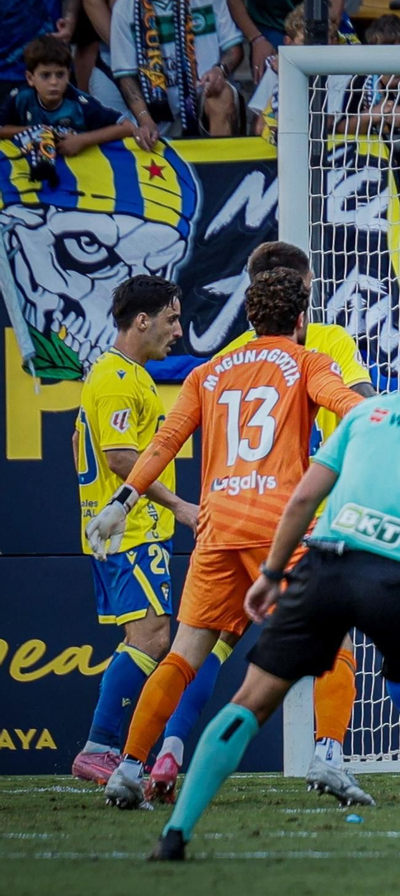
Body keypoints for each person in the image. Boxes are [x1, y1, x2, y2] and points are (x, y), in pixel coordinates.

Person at [148, 313, 400, 862]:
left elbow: (304, 500)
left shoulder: (373, 412)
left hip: (322, 567)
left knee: (252, 699)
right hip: (393, 577)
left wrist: (270, 574)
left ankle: (175, 836)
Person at [87, 268, 368, 810]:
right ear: (301, 318)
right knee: (334, 639)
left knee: (186, 651)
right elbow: (346, 404)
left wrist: (121, 503)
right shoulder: (309, 360)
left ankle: (128, 767)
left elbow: (166, 441)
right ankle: (328, 756)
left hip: (217, 528)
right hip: (281, 527)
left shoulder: (210, 371)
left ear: (250, 317)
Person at [207, 241, 400, 800]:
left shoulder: (227, 356)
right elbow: (364, 406)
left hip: (235, 515)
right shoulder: (324, 343)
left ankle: (158, 765)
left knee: (207, 647)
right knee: (391, 635)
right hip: (337, 508)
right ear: (303, 293)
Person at [67, 276, 203, 785]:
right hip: (131, 531)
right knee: (151, 638)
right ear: (141, 320)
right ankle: (99, 746)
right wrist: (180, 505)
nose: (179, 330)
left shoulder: (126, 374)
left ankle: (110, 748)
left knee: (147, 637)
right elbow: (121, 457)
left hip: (125, 530)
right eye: (171, 319)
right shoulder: (119, 378)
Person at [1, 37, 136, 187]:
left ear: (69, 75)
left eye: (60, 75)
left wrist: (82, 140)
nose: (53, 82)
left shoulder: (80, 103)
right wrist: (35, 132)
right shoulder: (20, 98)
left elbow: (127, 126)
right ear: (30, 78)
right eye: (45, 75)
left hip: (77, 177)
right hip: (31, 177)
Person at [109, 0, 243, 140]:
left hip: (202, 97)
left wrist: (220, 70)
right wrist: (145, 119)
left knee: (221, 95)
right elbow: (126, 77)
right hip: (157, 111)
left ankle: (220, 160)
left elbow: (234, 49)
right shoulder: (124, 8)